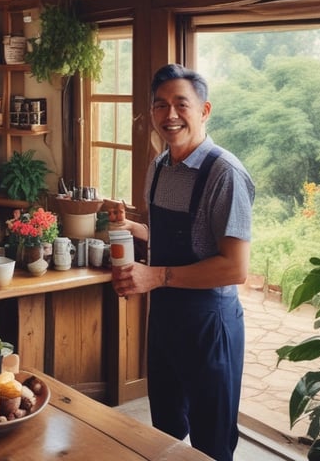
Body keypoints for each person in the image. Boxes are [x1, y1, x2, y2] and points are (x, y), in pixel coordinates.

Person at [111, 64, 254, 461]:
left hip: (211, 323)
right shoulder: (159, 166)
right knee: (167, 431)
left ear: (204, 110)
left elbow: (234, 268)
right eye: (160, 105)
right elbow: (180, 238)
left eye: (181, 104)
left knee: (212, 441)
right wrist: (133, 228)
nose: (170, 115)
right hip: (166, 317)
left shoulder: (224, 174)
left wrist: (153, 275)